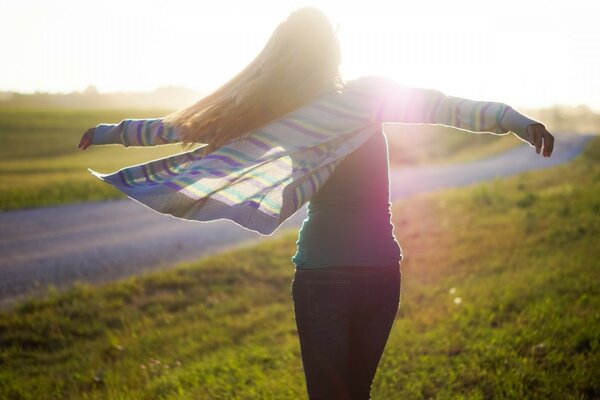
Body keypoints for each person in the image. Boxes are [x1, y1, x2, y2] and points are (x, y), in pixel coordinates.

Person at [78, 7, 554, 399]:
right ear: (334, 51)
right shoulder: (366, 97)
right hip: (380, 274)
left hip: (328, 276)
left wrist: (114, 133)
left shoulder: (276, 111)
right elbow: (446, 105)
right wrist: (513, 120)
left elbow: (186, 127)